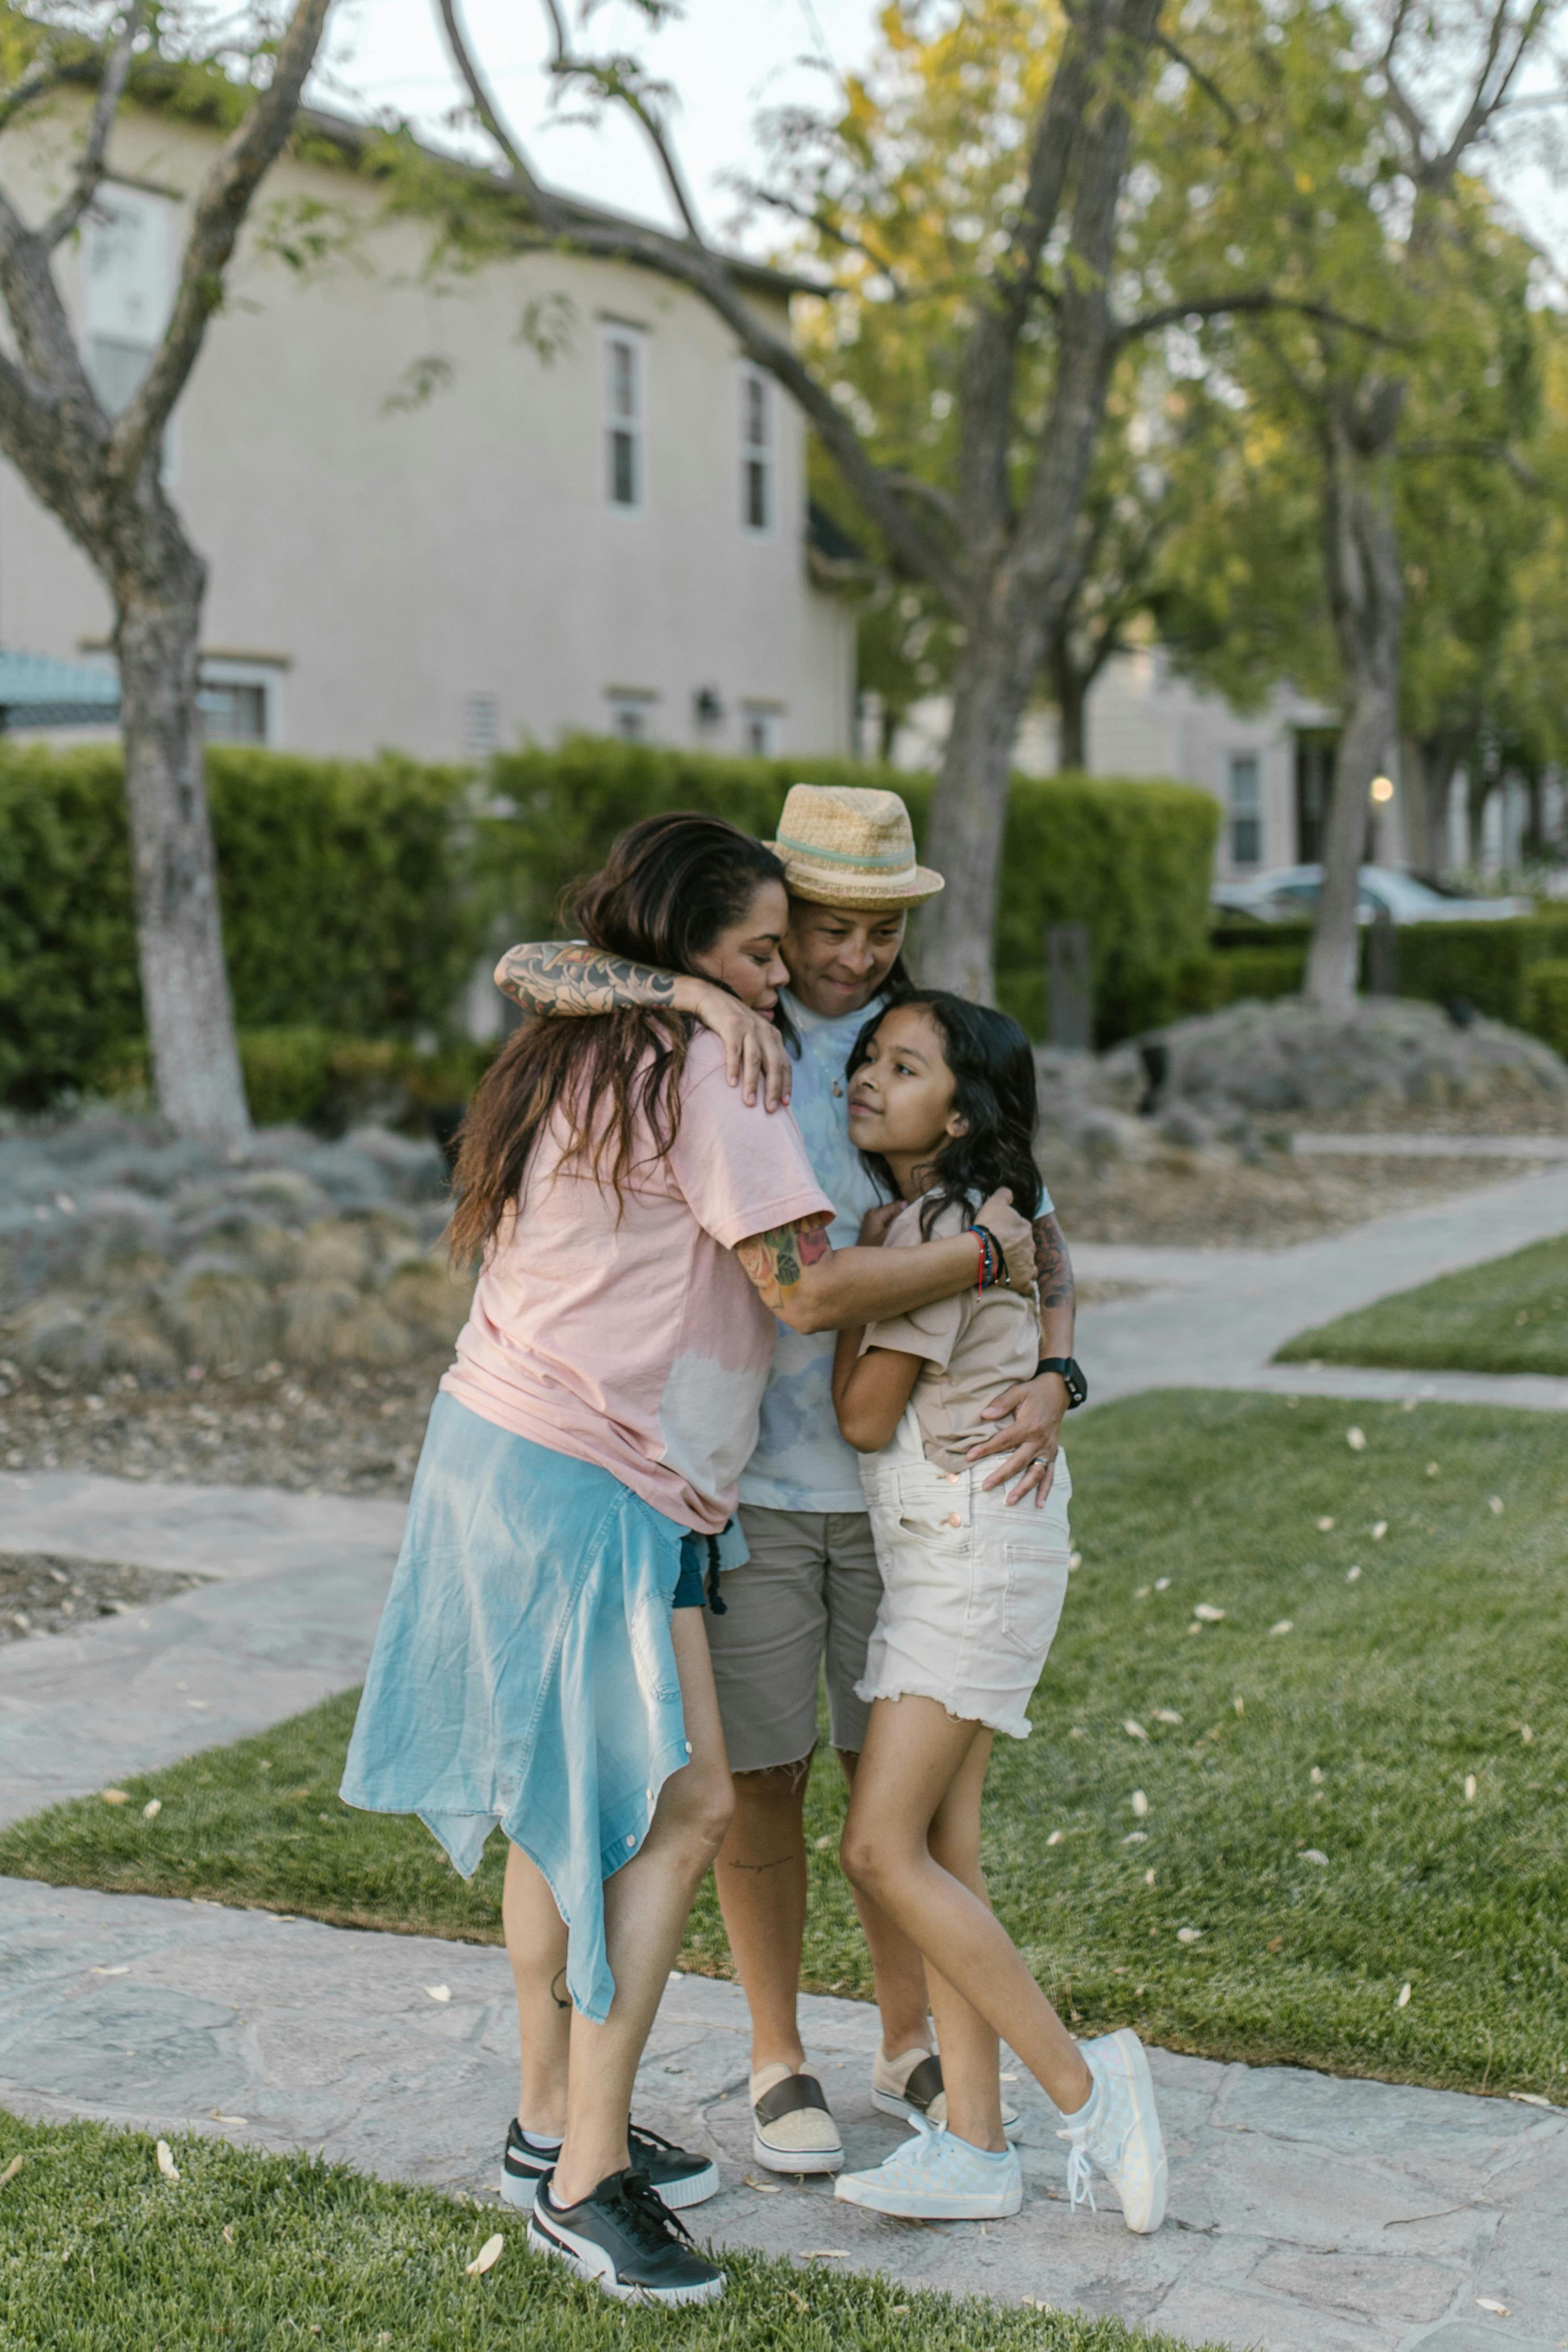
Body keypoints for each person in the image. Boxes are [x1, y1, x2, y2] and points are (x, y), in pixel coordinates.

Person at [341, 811, 1037, 2309]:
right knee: (680, 1808)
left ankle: (549, 2123)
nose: (787, 975)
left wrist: (704, 987)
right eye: (762, 950)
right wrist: (986, 1260)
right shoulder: (711, 1056)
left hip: (515, 1449)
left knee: (574, 1806)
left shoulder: (595, 1039)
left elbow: (565, 969)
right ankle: (587, 2180)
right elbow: (800, 1285)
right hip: (589, 1477)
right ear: (686, 942)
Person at [495, 782, 1085, 2174]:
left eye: (882, 927)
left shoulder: (916, 1049)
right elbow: (526, 967)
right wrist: (702, 1005)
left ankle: (907, 2040)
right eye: (829, 924)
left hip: (903, 1498)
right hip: (750, 1478)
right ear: (773, 911)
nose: (854, 952)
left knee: (907, 1801)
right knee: (759, 1784)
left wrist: (1062, 1373)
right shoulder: (703, 1022)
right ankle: (778, 2056)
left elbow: (1039, 1226)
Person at [827, 991, 1166, 2232]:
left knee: (877, 1846)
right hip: (956, 1549)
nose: (868, 1074)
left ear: (960, 1107)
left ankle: (1088, 2088)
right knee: (939, 1856)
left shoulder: (940, 1225)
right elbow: (1056, 1271)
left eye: (902, 1065)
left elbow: (863, 1413)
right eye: (867, 1055)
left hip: (968, 1554)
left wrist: (860, 1280)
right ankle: (974, 2143)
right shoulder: (969, 1214)